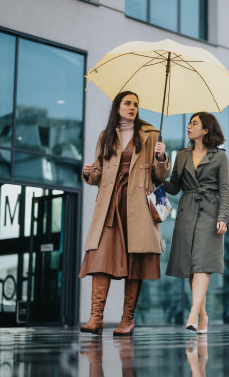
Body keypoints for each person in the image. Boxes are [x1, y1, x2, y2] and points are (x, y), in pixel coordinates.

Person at [79, 91, 169, 336]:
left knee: (135, 261)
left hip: (138, 205)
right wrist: (88, 172)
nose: (133, 107)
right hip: (110, 203)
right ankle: (96, 318)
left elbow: (161, 176)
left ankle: (127, 319)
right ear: (117, 107)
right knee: (100, 258)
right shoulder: (106, 136)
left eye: (136, 104)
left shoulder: (150, 134)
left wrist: (161, 157)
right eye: (128, 103)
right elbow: (97, 175)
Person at [164, 112, 229, 334]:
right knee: (191, 267)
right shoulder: (182, 155)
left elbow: (225, 190)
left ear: (205, 130)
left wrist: (223, 217)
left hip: (210, 211)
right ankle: (203, 315)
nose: (189, 126)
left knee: (202, 263)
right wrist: (157, 168)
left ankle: (193, 313)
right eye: (189, 123)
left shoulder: (220, 156)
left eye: (194, 123)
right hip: (186, 211)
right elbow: (174, 186)